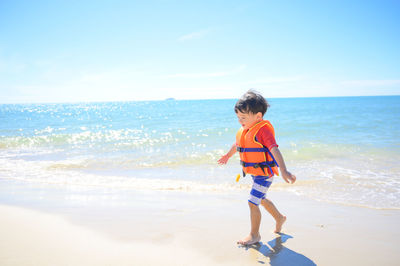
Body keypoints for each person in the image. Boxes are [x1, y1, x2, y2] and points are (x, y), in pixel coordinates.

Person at [218, 90, 296, 245]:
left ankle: (254, 235)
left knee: (252, 202)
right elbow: (238, 144)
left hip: (264, 174)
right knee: (261, 199)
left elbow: (274, 149)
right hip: (255, 173)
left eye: (244, 117)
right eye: (238, 117)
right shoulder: (245, 129)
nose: (240, 121)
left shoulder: (263, 130)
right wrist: (228, 155)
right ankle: (280, 218)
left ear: (258, 116)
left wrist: (283, 170)